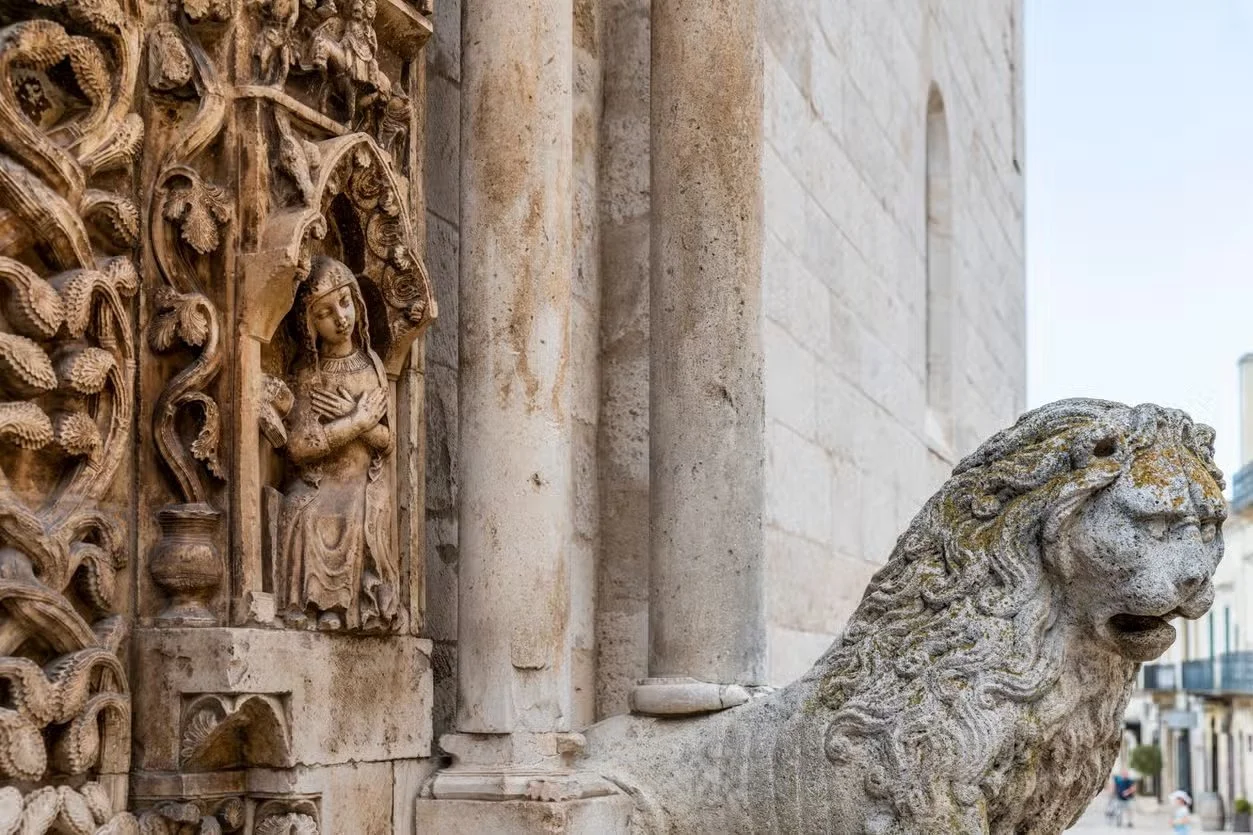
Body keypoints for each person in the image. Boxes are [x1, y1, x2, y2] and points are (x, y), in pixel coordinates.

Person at [278, 256, 400, 632]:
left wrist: (359, 421)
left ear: (357, 304)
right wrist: (356, 420)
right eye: (325, 312)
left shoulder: (372, 366)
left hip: (362, 480)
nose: (340, 317)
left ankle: (364, 606)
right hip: (321, 480)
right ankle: (323, 606)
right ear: (310, 325)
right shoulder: (307, 374)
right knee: (305, 511)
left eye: (345, 303)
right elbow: (299, 447)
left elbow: (387, 439)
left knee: (356, 511)